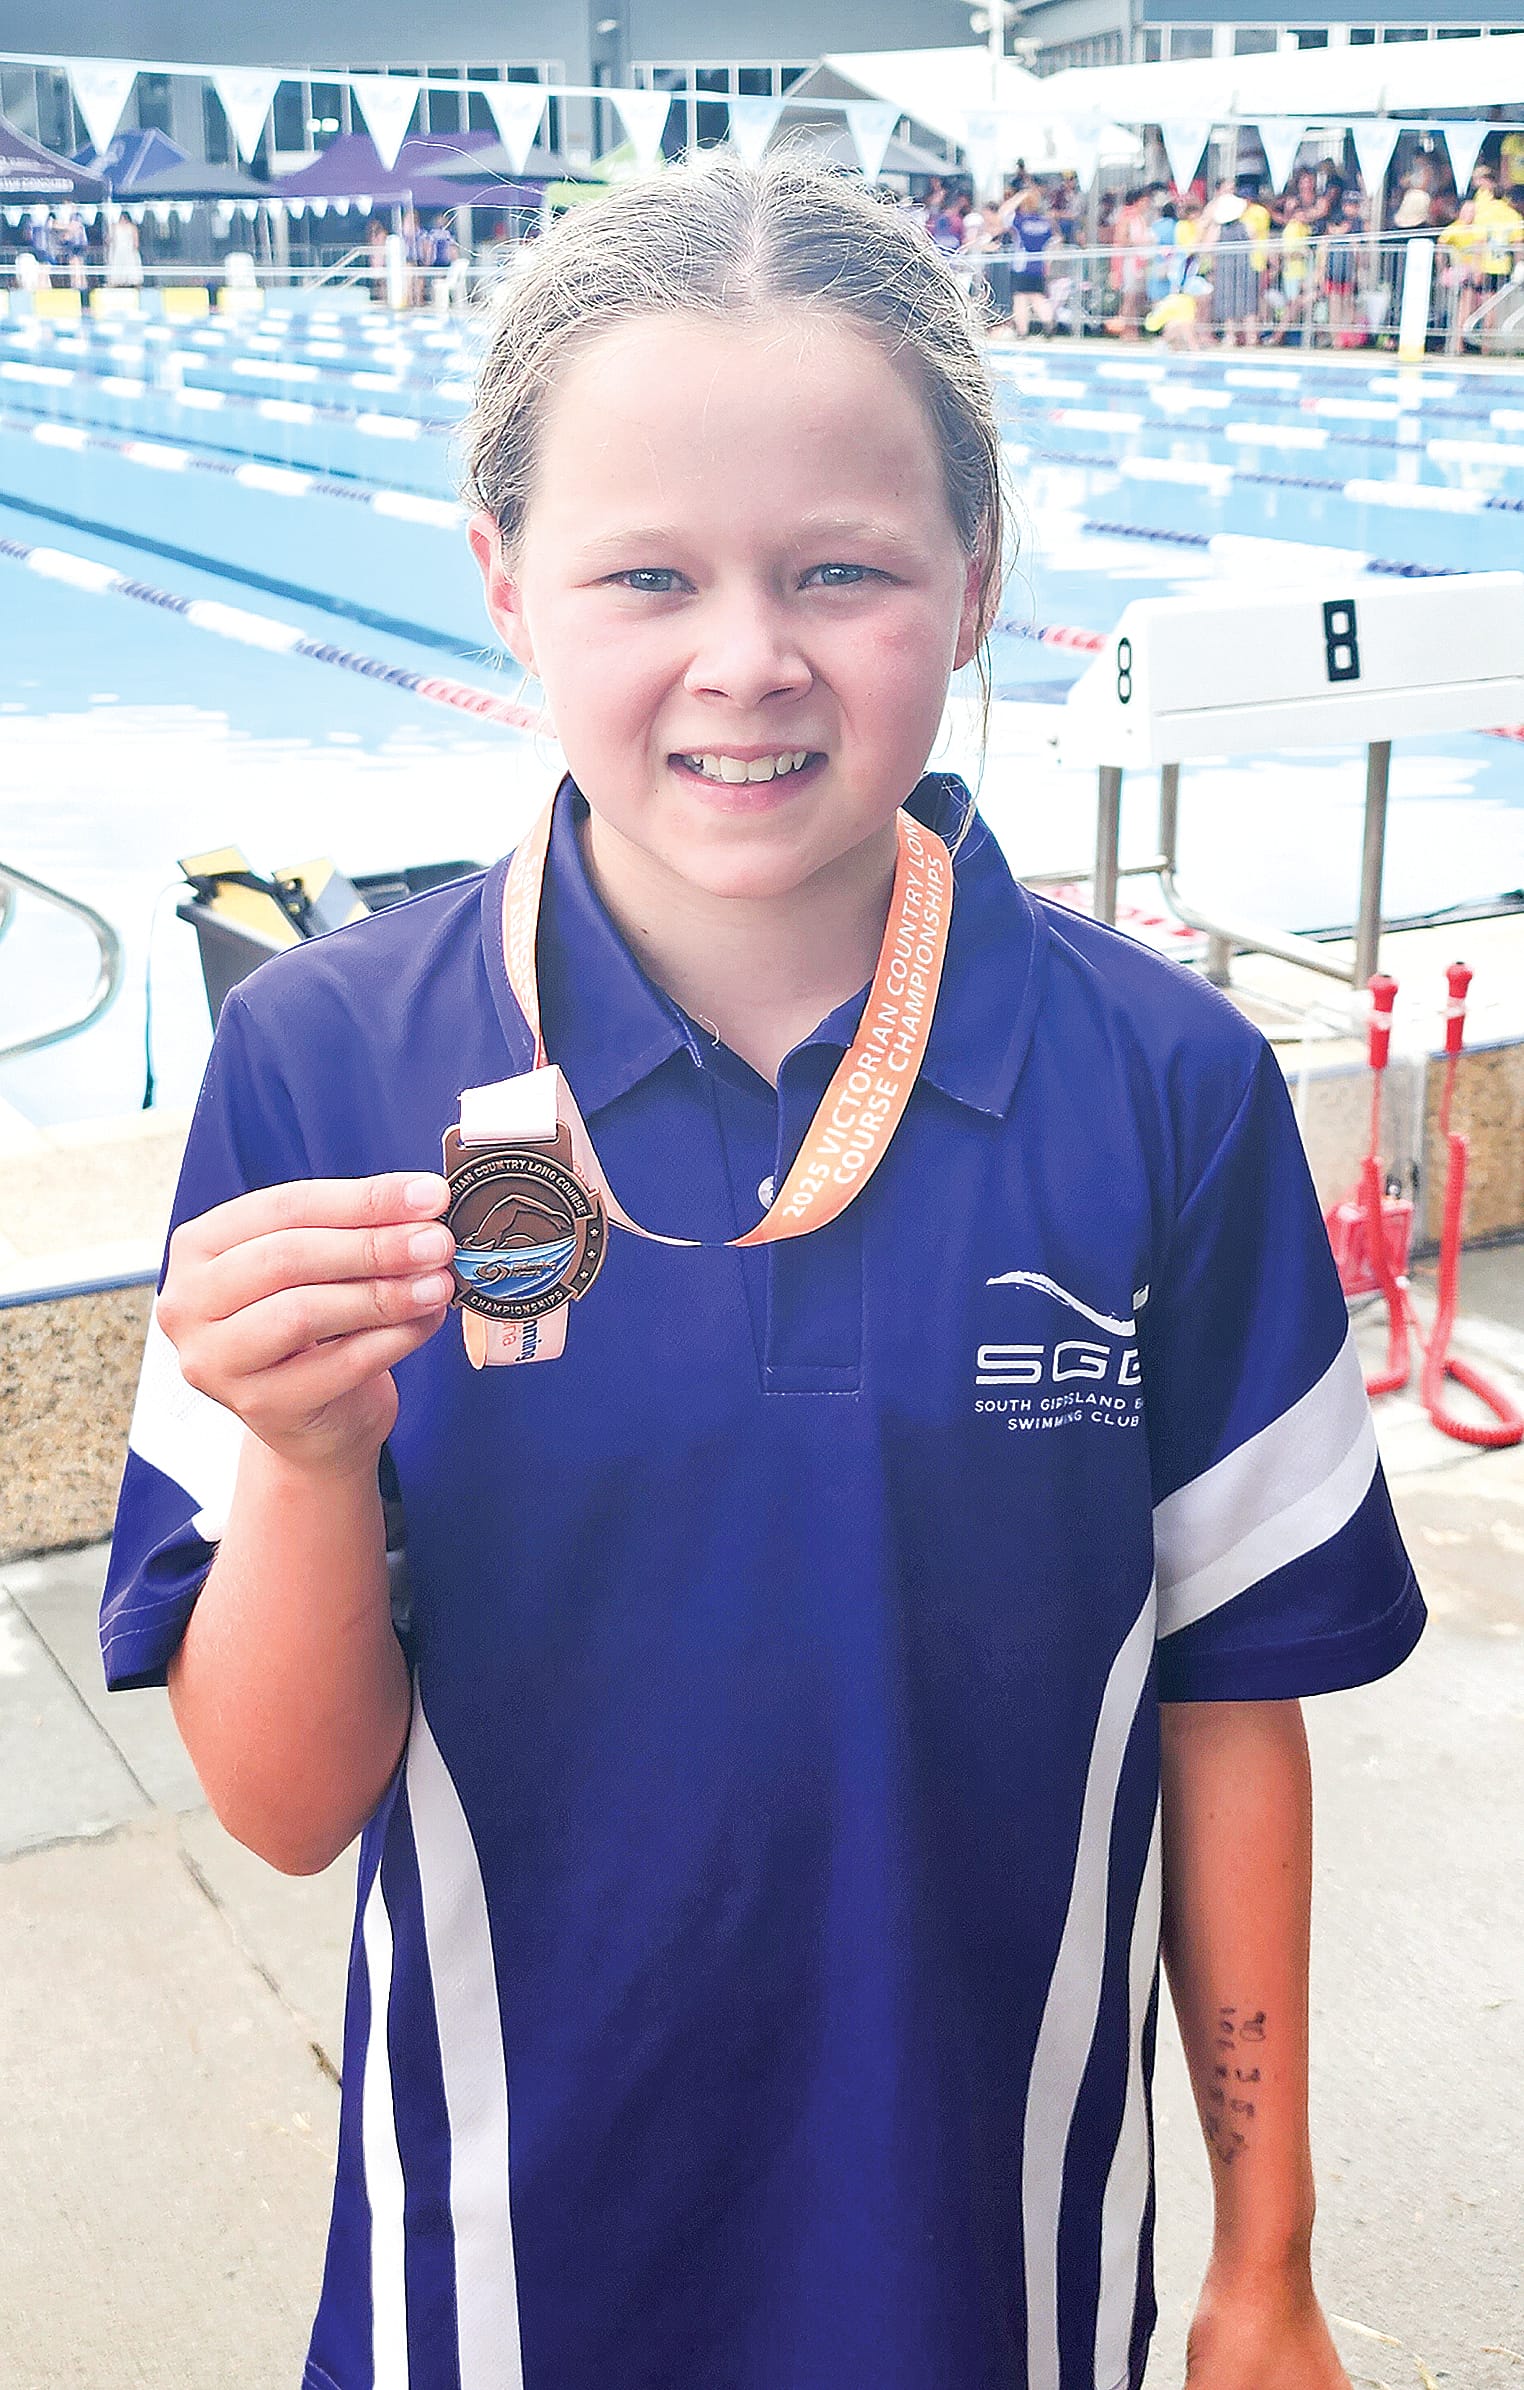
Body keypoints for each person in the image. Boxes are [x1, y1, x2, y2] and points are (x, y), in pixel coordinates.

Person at [101, 157, 1422, 2390]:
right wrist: (309, 1463)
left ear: (975, 579)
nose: (747, 660)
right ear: (504, 584)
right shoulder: (327, 1063)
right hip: (501, 2286)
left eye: (841, 570)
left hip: (995, 2279)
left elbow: (1225, 1704)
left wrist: (1263, 2261)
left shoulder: (1164, 1089)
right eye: (647, 573)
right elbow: (288, 1806)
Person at [1008, 183, 1056, 337]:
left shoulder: (1019, 221)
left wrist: (1018, 196)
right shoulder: (1045, 222)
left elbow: (1003, 215)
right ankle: (1048, 322)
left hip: (1021, 264)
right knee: (1037, 296)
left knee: (1020, 298)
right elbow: (1054, 239)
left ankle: (1022, 331)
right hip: (1038, 264)